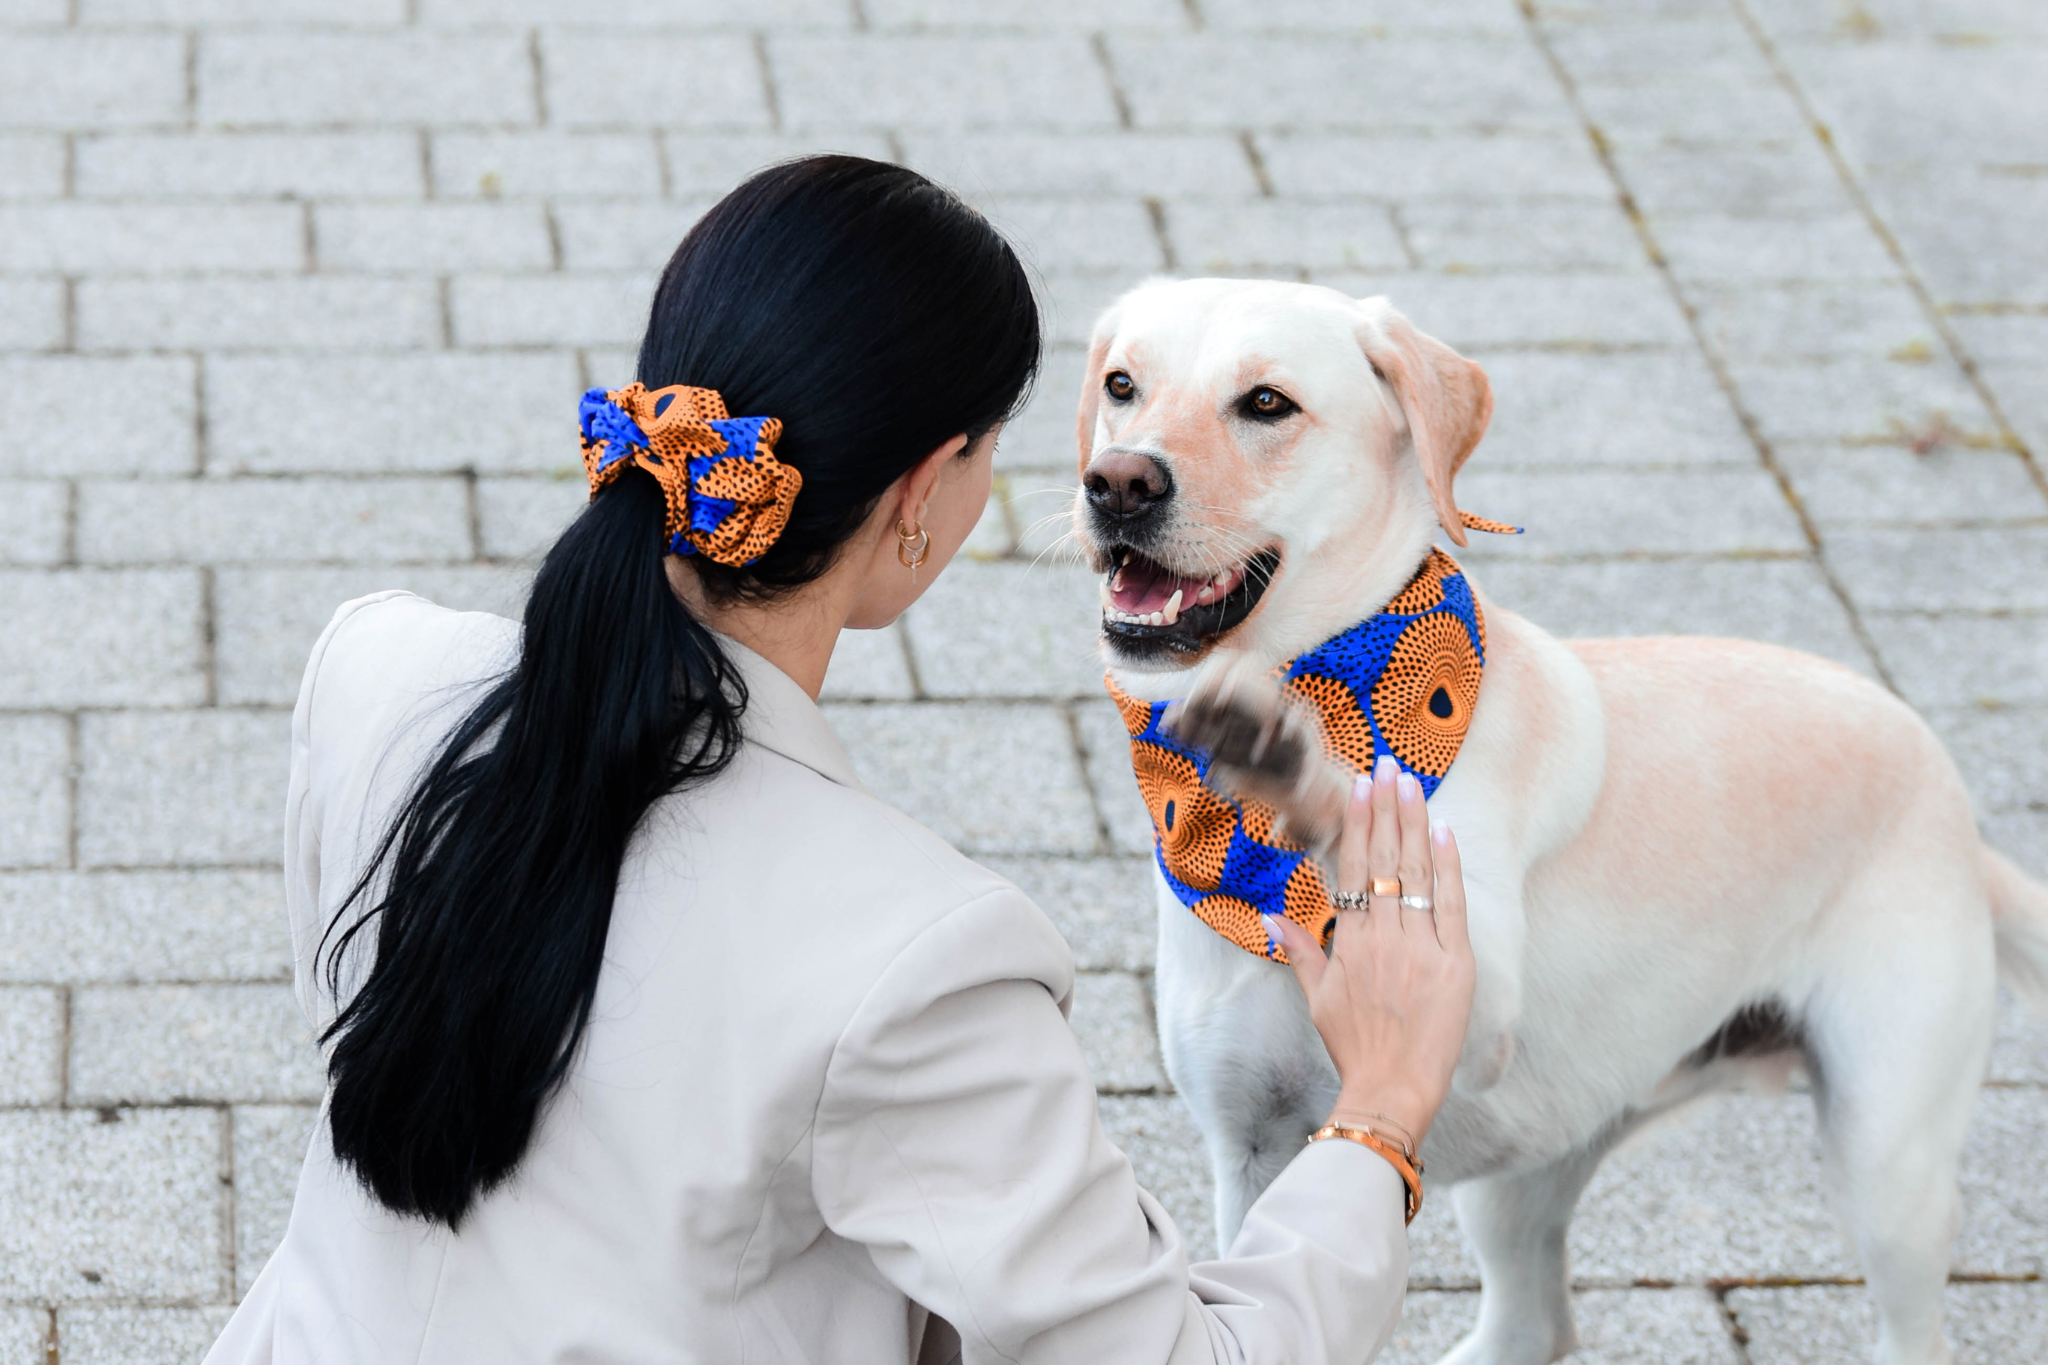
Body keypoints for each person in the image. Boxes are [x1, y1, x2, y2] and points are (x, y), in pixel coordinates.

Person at [203, 155, 1476, 1365]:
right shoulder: (922, 959)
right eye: (993, 449)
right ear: (925, 491)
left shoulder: (374, 671)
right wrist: (1381, 1106)